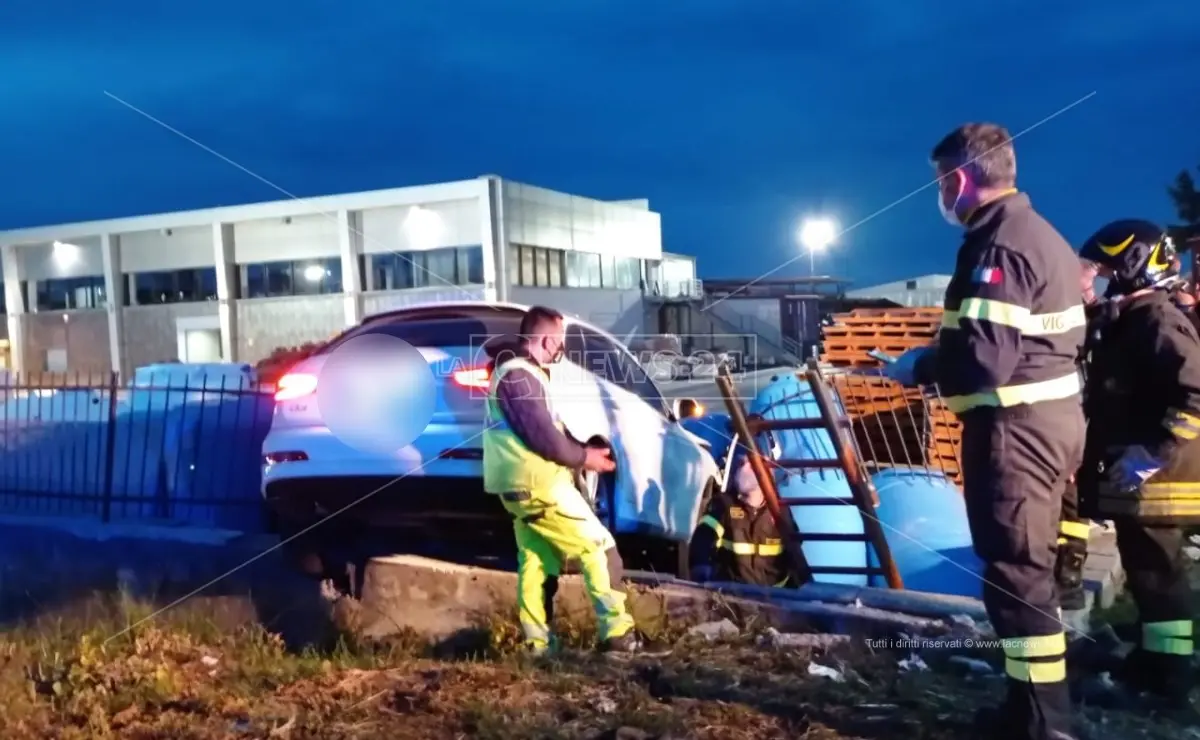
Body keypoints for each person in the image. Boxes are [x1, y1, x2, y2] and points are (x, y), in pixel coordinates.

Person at [884, 123, 1088, 740]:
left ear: (960, 178)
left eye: (940, 182)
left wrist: (920, 364)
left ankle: (1042, 724)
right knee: (1026, 572)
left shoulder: (996, 244)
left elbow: (984, 361)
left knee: (1017, 578)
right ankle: (1031, 709)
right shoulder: (1040, 235)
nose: (940, 195)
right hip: (1045, 423)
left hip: (1014, 432)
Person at [1073, 219, 1198, 714]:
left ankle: (1170, 682)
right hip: (1143, 483)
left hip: (1160, 483)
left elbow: (1194, 392)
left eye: (1105, 272)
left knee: (1159, 579)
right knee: (1149, 577)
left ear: (1133, 268)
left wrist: (1153, 452)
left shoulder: (1157, 321)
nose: (1099, 281)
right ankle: (1154, 662)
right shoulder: (1134, 318)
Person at [482, 305, 639, 654]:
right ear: (546, 340)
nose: (562, 349)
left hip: (519, 488)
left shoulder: (524, 374)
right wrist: (586, 458)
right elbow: (544, 439)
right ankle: (617, 635)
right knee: (599, 548)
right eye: (560, 342)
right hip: (540, 486)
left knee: (537, 563)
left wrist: (583, 451)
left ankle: (538, 646)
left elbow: (549, 431)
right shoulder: (518, 376)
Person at [689, 451, 790, 587]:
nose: (741, 468)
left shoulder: (780, 511)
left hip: (775, 600)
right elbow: (703, 537)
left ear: (767, 470)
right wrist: (701, 567)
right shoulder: (724, 504)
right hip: (732, 596)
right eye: (741, 463)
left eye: (749, 463)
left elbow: (794, 556)